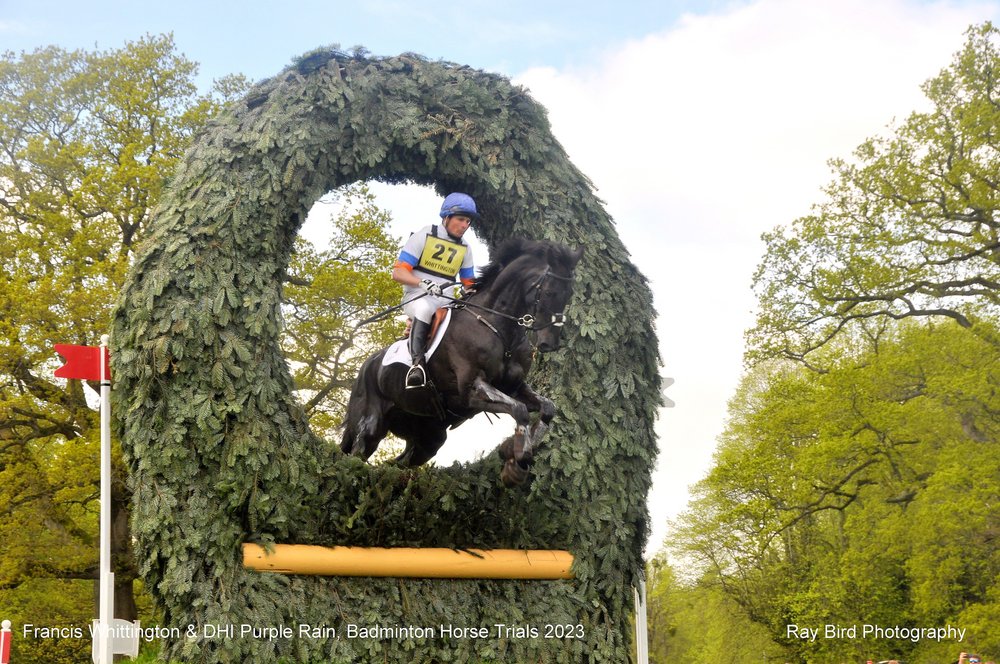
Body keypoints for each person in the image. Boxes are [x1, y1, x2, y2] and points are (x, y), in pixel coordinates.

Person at [391, 192, 478, 388]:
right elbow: (398, 273)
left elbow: (469, 284)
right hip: (416, 296)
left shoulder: (466, 248)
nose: (465, 226)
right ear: (446, 217)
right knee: (423, 308)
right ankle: (416, 366)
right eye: (461, 219)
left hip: (447, 301)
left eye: (468, 222)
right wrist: (422, 283)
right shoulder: (425, 234)